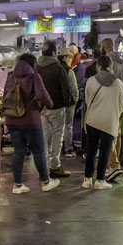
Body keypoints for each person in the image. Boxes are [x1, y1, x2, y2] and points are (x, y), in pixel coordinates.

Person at [4, 53, 60, 194]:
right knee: (38, 150)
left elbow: (5, 96)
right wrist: (50, 104)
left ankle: (17, 185)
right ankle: (45, 182)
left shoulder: (11, 76)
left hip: (12, 119)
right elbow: (41, 94)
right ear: (33, 64)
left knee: (18, 151)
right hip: (30, 119)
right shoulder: (34, 77)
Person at [82, 55, 123, 190]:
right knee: (105, 151)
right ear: (111, 67)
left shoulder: (91, 81)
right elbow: (122, 105)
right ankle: (100, 180)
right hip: (109, 121)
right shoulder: (118, 83)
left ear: (98, 66)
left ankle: (87, 179)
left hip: (93, 120)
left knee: (91, 150)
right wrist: (115, 115)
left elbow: (88, 100)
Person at [37, 41, 75, 178]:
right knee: (57, 135)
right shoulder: (58, 68)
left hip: (41, 108)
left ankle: (43, 167)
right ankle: (55, 166)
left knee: (44, 136)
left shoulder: (37, 67)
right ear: (53, 53)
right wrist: (67, 103)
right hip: (57, 107)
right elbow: (65, 88)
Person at [99, 38, 123, 182]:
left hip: (109, 100)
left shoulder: (107, 61)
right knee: (117, 133)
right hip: (121, 100)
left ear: (104, 47)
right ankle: (113, 164)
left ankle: (113, 165)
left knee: (107, 133)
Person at [57, 49, 79, 158]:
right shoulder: (69, 71)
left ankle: (55, 150)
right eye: (69, 57)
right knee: (68, 126)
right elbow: (74, 88)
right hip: (68, 103)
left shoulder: (53, 69)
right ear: (65, 57)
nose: (70, 59)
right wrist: (75, 100)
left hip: (56, 103)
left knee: (56, 127)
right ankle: (68, 149)